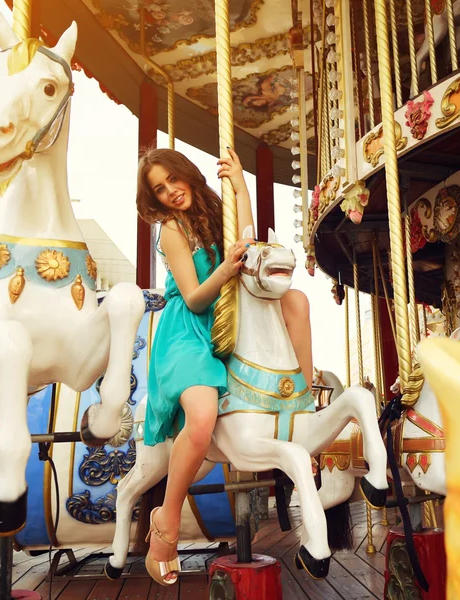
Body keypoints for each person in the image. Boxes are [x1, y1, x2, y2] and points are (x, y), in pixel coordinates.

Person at [136, 147, 313, 585]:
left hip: (228, 318)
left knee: (294, 301)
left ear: (187, 174)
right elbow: (195, 295)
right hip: (189, 330)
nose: (170, 191)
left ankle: (302, 402)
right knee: (201, 416)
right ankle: (167, 518)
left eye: (172, 180)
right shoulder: (171, 231)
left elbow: (247, 239)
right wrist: (227, 270)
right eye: (159, 189)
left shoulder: (217, 212)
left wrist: (239, 184)